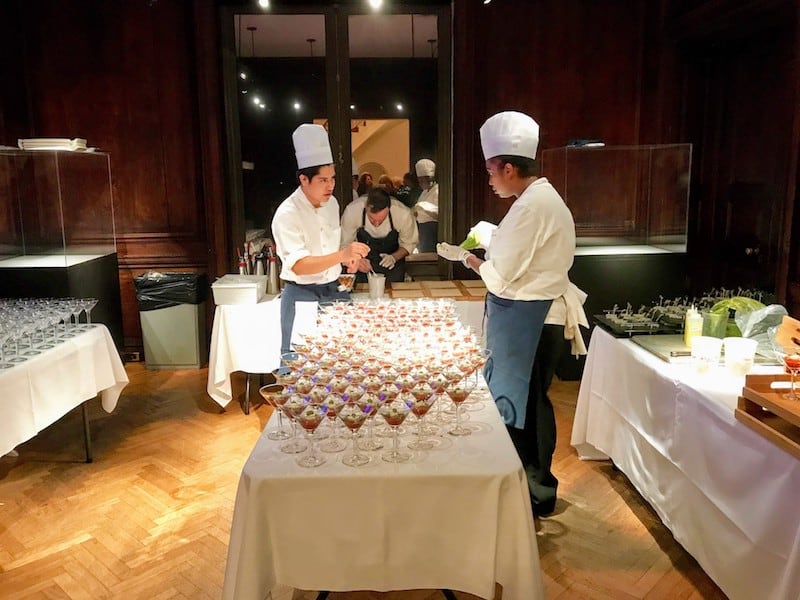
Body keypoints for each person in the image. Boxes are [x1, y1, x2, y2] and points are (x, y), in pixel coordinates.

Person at [436, 111, 588, 517]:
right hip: (531, 316)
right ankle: (524, 482)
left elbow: (501, 279)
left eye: (490, 171)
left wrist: (470, 259)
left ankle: (537, 489)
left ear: (507, 167)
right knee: (526, 401)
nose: (489, 179)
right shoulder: (537, 199)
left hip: (533, 319)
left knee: (530, 403)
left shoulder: (533, 207)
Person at [271, 123, 370, 355]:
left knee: (347, 358)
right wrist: (341, 255)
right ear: (304, 179)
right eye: (323, 180)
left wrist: (347, 259)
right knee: (302, 365)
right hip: (301, 293)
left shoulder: (332, 204)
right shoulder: (287, 213)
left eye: (332, 178)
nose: (331, 186)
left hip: (335, 290)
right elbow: (300, 265)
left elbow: (329, 247)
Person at [340, 186, 418, 283]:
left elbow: (409, 243)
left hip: (392, 265)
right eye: (372, 219)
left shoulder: (402, 213)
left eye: (381, 220)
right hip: (363, 262)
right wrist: (356, 260)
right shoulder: (352, 211)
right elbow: (345, 244)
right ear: (366, 207)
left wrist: (394, 257)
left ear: (389, 209)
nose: (376, 224)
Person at [414, 159, 439, 252]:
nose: (420, 183)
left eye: (422, 180)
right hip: (422, 229)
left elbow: (439, 215)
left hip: (431, 229)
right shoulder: (424, 192)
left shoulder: (437, 191)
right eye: (419, 180)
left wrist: (424, 207)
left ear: (430, 178)